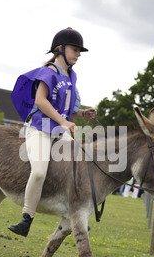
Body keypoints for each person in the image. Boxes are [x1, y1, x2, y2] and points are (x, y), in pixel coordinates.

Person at [8, 27, 96, 237]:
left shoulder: (71, 76)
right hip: (39, 129)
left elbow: (65, 111)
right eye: (75, 49)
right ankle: (26, 219)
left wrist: (83, 114)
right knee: (39, 172)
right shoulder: (48, 72)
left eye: (79, 51)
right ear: (60, 49)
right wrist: (64, 121)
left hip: (58, 130)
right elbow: (41, 101)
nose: (78, 54)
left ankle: (76, 214)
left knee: (80, 166)